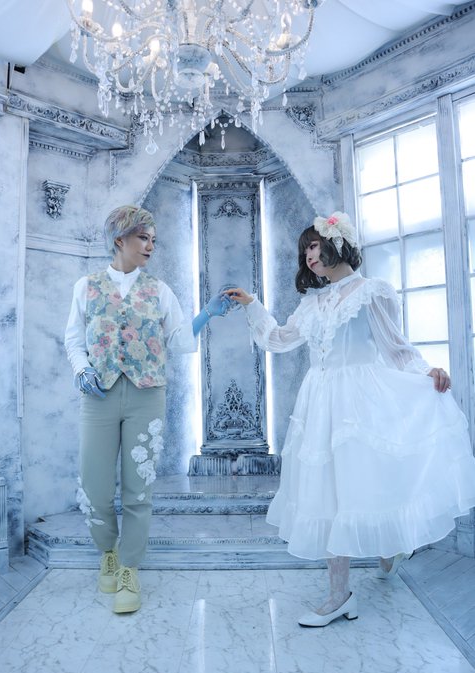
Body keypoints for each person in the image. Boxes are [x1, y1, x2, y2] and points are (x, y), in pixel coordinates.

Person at [227, 211, 475, 627]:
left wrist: (426, 371)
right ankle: (339, 594)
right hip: (319, 403)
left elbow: (396, 350)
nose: (309, 256)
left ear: (336, 243)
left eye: (313, 245)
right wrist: (252, 305)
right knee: (327, 494)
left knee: (370, 481)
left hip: (360, 400)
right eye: (304, 250)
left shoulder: (371, 292)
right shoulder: (313, 302)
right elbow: (279, 339)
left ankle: (390, 546)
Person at [65, 205, 231, 614]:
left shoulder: (159, 290)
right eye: (143, 238)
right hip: (98, 395)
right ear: (119, 239)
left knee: (138, 488)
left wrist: (208, 313)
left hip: (146, 394)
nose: (150, 246)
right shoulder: (86, 286)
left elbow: (178, 339)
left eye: (154, 239)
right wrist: (82, 369)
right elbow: (74, 339)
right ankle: (107, 551)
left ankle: (129, 567)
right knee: (94, 484)